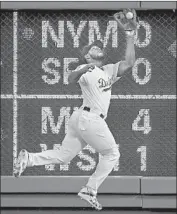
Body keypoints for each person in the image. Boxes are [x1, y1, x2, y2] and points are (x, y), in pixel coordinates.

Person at [14, 9, 138, 210]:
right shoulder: (86, 71)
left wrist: (131, 35)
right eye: (92, 48)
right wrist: (82, 69)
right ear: (88, 56)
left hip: (82, 118)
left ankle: (29, 159)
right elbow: (70, 78)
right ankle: (90, 190)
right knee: (112, 154)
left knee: (64, 155)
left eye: (99, 46)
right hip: (89, 119)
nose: (97, 47)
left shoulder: (108, 71)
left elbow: (130, 63)